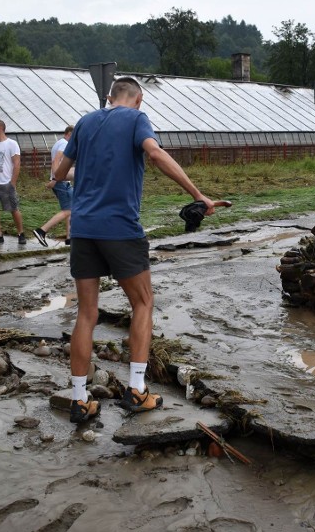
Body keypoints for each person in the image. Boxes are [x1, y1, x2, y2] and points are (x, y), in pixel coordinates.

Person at [56, 77, 216, 423]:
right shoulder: (136, 119)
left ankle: (80, 400)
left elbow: (59, 172)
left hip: (83, 229)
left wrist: (89, 175)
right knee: (143, 302)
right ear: (138, 100)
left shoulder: (84, 122)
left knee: (87, 314)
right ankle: (137, 390)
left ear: (109, 97)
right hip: (119, 228)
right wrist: (197, 195)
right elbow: (156, 154)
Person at [33, 126, 73, 247]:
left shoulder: (59, 143)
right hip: (61, 182)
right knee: (68, 210)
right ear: (70, 134)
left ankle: (70, 238)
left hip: (61, 181)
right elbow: (56, 161)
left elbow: (57, 161)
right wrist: (56, 178)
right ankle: (42, 231)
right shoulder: (64, 144)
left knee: (71, 209)